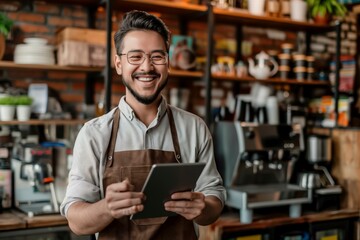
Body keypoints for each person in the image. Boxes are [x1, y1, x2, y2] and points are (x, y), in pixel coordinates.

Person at [60, 10, 226, 240]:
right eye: (135, 57)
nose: (147, 67)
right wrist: (106, 207)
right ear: (118, 64)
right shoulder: (94, 134)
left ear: (167, 63)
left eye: (157, 56)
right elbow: (76, 221)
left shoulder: (195, 128)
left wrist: (203, 208)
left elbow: (214, 200)